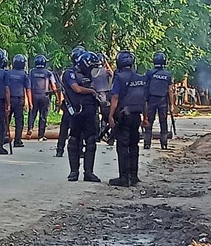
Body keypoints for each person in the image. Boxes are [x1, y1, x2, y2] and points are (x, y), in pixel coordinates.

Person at [108, 51, 148, 187]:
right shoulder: (141, 78)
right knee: (134, 145)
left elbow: (115, 98)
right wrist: (145, 117)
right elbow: (144, 100)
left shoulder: (119, 77)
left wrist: (110, 116)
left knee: (123, 146)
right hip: (137, 115)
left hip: (124, 116)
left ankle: (123, 178)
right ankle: (134, 176)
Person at [63, 51, 101, 182]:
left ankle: (89, 172)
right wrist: (91, 91)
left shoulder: (91, 75)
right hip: (76, 112)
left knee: (91, 141)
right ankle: (74, 171)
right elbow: (77, 89)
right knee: (74, 140)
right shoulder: (70, 73)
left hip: (90, 112)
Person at [56, 46, 85, 157]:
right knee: (65, 128)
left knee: (79, 130)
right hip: (70, 105)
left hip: (79, 105)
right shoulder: (70, 73)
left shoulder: (82, 73)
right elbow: (76, 89)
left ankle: (79, 149)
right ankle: (60, 149)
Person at [144, 52, 174, 150]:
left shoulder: (149, 73)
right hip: (163, 101)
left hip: (151, 100)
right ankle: (164, 143)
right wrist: (172, 104)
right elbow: (170, 90)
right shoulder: (168, 75)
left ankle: (147, 143)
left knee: (149, 122)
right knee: (163, 122)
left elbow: (145, 87)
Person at [28, 55, 58, 142]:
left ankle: (30, 128)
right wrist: (57, 97)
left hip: (34, 95)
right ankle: (41, 136)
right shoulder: (48, 73)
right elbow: (53, 85)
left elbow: (28, 85)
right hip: (44, 96)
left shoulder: (31, 72)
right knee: (43, 116)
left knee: (32, 113)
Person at [7, 54, 32, 147]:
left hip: (9, 99)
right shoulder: (24, 75)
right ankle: (17, 141)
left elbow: (6, 88)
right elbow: (28, 89)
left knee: (6, 120)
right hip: (19, 100)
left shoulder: (8, 73)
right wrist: (30, 102)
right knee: (19, 121)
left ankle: (4, 137)